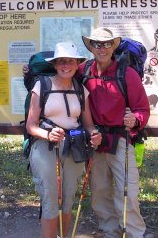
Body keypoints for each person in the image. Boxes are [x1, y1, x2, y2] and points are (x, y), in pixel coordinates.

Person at [77, 27, 150, 238]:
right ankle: (110, 232)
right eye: (97, 44)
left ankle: (134, 233)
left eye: (107, 44)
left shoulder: (127, 74)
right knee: (99, 191)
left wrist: (135, 120)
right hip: (95, 140)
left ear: (113, 46)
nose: (102, 48)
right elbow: (60, 75)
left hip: (121, 139)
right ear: (91, 46)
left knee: (128, 191)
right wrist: (30, 75)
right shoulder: (83, 71)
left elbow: (142, 109)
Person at [25, 42, 102, 238]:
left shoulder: (80, 90)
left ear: (77, 64)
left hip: (74, 147)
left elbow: (88, 124)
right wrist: (48, 134)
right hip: (45, 147)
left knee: (68, 200)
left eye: (70, 61)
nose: (65, 65)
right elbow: (31, 125)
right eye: (61, 62)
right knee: (51, 200)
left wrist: (94, 134)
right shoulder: (41, 86)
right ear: (55, 64)